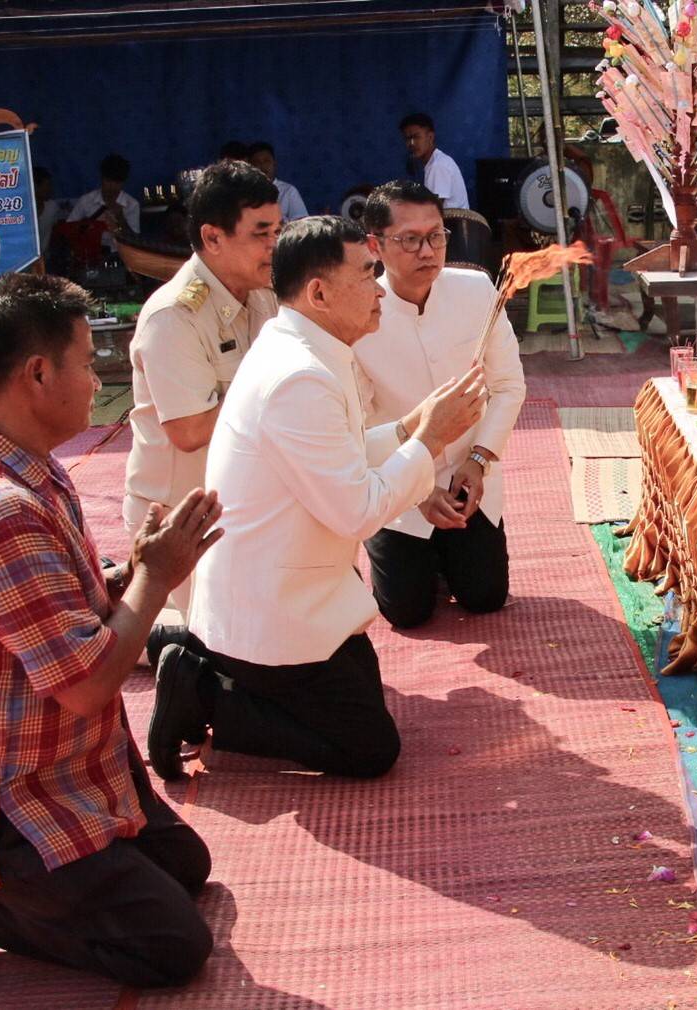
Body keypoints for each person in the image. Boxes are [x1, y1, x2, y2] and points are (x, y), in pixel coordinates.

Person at [0, 272, 223, 994]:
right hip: (4, 794)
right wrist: (155, 579)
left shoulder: (22, 465)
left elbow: (60, 609)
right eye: (83, 360)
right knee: (174, 949)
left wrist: (126, 575)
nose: (94, 376)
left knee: (186, 869)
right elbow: (88, 683)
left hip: (64, 758)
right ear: (37, 373)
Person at [146, 216, 485, 781]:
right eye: (367, 274)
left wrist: (408, 431)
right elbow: (357, 508)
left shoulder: (302, 345)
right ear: (319, 292)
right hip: (270, 610)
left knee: (359, 687)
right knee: (370, 749)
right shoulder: (298, 375)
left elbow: (342, 453)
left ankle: (191, 647)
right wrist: (430, 439)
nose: (381, 289)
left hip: (291, 593)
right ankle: (205, 694)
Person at [355, 180, 524, 628]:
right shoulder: (356, 310)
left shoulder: (476, 290)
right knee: (405, 613)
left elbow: (508, 386)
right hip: (396, 481)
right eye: (410, 240)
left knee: (485, 596)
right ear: (376, 245)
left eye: (436, 236)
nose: (427, 251)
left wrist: (479, 458)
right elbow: (353, 428)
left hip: (470, 479)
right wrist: (415, 489)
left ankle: (450, 561)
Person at [124, 160, 279, 620]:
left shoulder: (263, 295)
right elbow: (190, 430)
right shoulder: (173, 317)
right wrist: (273, 392)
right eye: (261, 233)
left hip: (245, 507)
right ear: (213, 238)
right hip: (180, 525)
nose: (275, 246)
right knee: (210, 655)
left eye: (278, 231)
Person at [67, 154, 141, 249]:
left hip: (119, 255)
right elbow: (68, 229)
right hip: (90, 254)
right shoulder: (86, 201)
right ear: (102, 178)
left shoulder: (131, 204)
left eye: (117, 183)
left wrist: (120, 217)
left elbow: (135, 240)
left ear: (124, 182)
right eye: (108, 181)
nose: (112, 187)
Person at [399, 112, 469, 210]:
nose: (411, 143)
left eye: (416, 137)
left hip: (453, 224)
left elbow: (432, 211)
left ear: (430, 137)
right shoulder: (435, 161)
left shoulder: (437, 165)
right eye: (408, 138)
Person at [247, 141, 309, 222]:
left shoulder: (288, 191)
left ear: (274, 163)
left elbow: (301, 225)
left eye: (266, 161)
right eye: (257, 162)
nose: (262, 166)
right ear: (250, 166)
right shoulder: (245, 192)